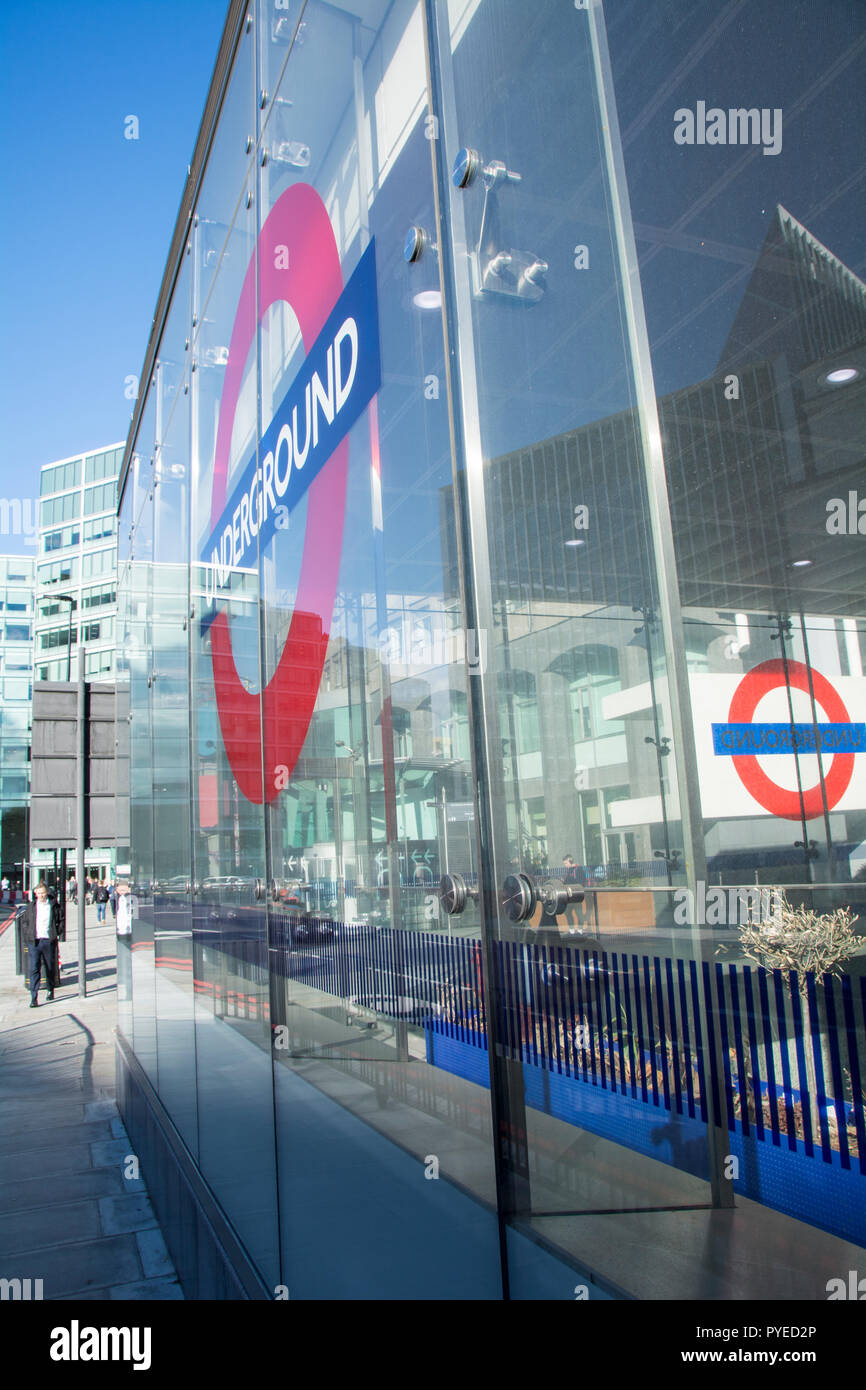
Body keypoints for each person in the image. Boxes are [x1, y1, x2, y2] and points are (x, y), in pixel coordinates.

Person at [21, 881, 62, 1007]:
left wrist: (56, 933)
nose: (41, 895)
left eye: (43, 893)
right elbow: (25, 921)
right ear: (35, 894)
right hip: (34, 941)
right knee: (34, 968)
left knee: (50, 967)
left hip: (48, 940)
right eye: (38, 893)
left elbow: (61, 920)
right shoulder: (31, 906)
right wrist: (28, 935)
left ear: (47, 893)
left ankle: (50, 989)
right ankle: (34, 997)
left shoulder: (54, 905)